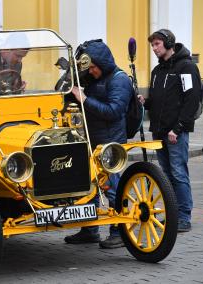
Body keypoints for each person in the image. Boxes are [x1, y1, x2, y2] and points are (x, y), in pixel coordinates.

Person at [64, 40, 132, 249]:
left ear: (102, 63)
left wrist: (84, 99)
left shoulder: (119, 80)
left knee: (113, 188)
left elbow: (113, 111)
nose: (91, 71)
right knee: (89, 186)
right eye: (89, 67)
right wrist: (70, 74)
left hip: (111, 143)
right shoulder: (95, 77)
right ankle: (90, 229)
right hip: (93, 140)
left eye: (93, 67)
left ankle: (119, 232)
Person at [138, 29, 201, 233]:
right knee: (166, 175)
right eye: (152, 45)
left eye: (157, 44)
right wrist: (145, 103)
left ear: (169, 43)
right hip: (159, 131)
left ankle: (184, 217)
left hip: (176, 132)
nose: (154, 49)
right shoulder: (158, 71)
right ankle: (173, 216)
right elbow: (158, 101)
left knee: (178, 173)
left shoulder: (186, 67)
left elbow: (191, 100)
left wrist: (179, 127)